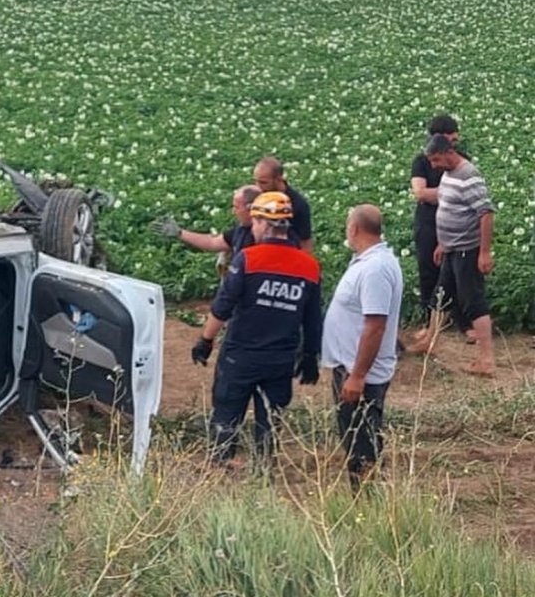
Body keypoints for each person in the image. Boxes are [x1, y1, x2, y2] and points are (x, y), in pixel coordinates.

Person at [191, 191, 322, 464]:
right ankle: (263, 478)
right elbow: (312, 318)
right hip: (281, 360)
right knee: (269, 426)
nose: (252, 228)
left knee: (225, 420)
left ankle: (219, 473)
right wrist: (310, 355)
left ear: (263, 223)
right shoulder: (309, 267)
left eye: (254, 222)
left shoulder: (249, 259)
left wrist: (205, 340)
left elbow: (223, 305)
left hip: (241, 356)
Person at [321, 205, 403, 488]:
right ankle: (365, 499)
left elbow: (375, 325)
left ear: (354, 229)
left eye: (347, 226)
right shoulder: (368, 262)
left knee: (362, 443)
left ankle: (368, 504)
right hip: (352, 367)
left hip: (361, 373)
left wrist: (357, 376)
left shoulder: (375, 269)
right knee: (355, 439)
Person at [407, 135, 495, 375]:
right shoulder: (448, 174)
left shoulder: (469, 175)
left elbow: (486, 213)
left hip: (468, 250)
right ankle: (430, 342)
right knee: (440, 296)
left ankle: (486, 360)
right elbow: (447, 206)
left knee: (473, 302)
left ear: (448, 152)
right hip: (452, 249)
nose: (433, 165)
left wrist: (484, 252)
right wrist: (443, 244)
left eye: (436, 159)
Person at [409, 114, 469, 337]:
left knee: (458, 270)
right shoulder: (422, 160)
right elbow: (420, 193)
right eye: (451, 137)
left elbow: (467, 191)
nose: (455, 141)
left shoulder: (462, 159)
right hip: (428, 223)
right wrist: (451, 192)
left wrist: (439, 194)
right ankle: (429, 321)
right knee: (428, 270)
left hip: (455, 221)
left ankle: (462, 320)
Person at [152, 185, 260, 266]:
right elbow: (212, 243)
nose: (233, 212)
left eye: (236, 207)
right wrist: (180, 233)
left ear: (250, 208)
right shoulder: (240, 230)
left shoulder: (266, 235)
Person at [253, 156, 313, 252]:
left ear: (278, 179)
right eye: (255, 181)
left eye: (263, 182)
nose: (258, 187)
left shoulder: (298, 204)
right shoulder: (258, 196)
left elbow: (305, 240)